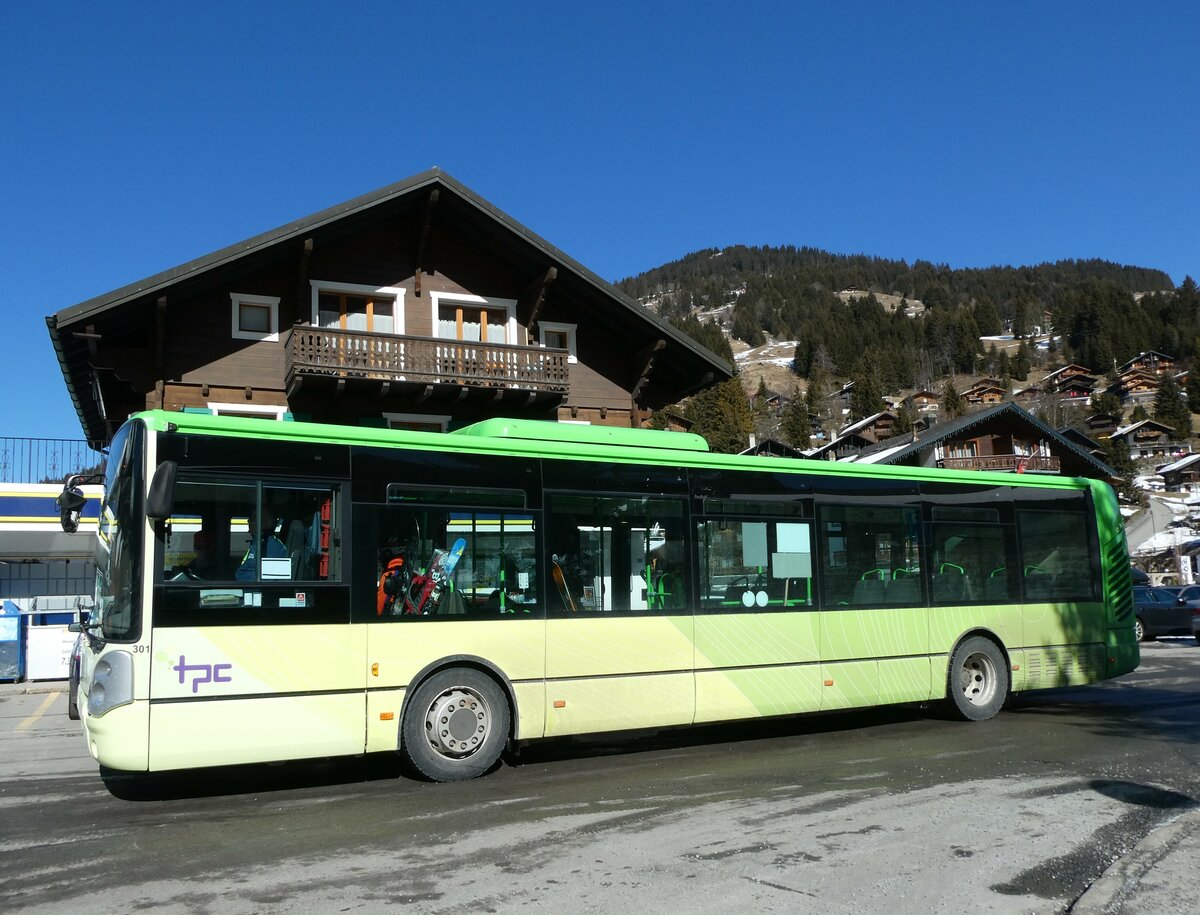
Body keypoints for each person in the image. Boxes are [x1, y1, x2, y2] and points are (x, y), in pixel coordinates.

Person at [236, 507, 288, 581]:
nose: (248, 521)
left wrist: (239, 575)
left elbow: (268, 580)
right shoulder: (259, 544)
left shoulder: (271, 546)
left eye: (253, 518)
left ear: (266, 523)